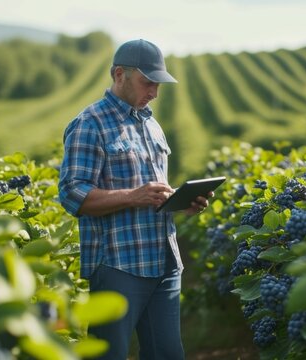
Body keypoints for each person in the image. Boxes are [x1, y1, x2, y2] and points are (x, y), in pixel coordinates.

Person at [58, 39, 211, 360]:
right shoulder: (90, 124)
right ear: (118, 75)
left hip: (165, 262)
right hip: (118, 265)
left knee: (168, 354)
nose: (154, 91)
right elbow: (73, 195)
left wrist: (181, 202)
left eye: (158, 84)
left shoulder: (152, 125)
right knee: (108, 354)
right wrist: (132, 196)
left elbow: (152, 195)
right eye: (148, 82)